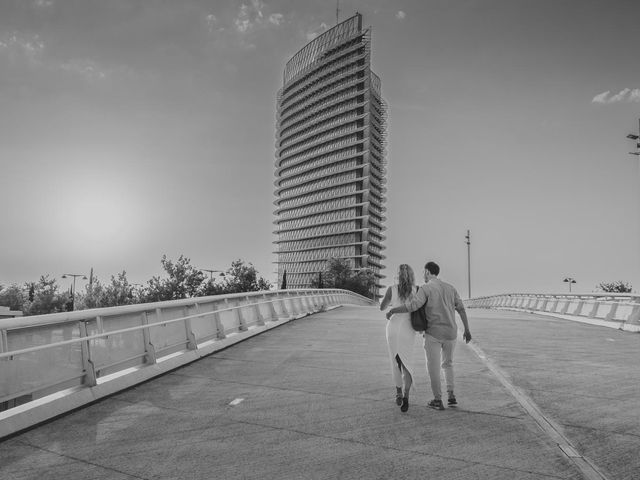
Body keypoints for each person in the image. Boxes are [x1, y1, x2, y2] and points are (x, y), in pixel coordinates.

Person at [386, 261, 471, 410]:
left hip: (433, 334)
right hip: (451, 333)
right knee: (448, 364)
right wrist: (467, 330)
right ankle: (451, 395)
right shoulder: (451, 288)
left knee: (433, 368)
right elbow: (461, 309)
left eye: (423, 273)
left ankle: (438, 400)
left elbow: (413, 306)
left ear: (427, 272)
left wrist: (393, 311)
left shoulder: (426, 288)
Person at [380, 264, 420, 412]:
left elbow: (382, 307)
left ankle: (398, 392)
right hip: (408, 330)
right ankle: (406, 396)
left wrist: (390, 304)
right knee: (406, 363)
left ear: (397, 275)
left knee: (395, 361)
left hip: (393, 327)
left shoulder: (392, 289)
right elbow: (415, 307)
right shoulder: (417, 290)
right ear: (411, 275)